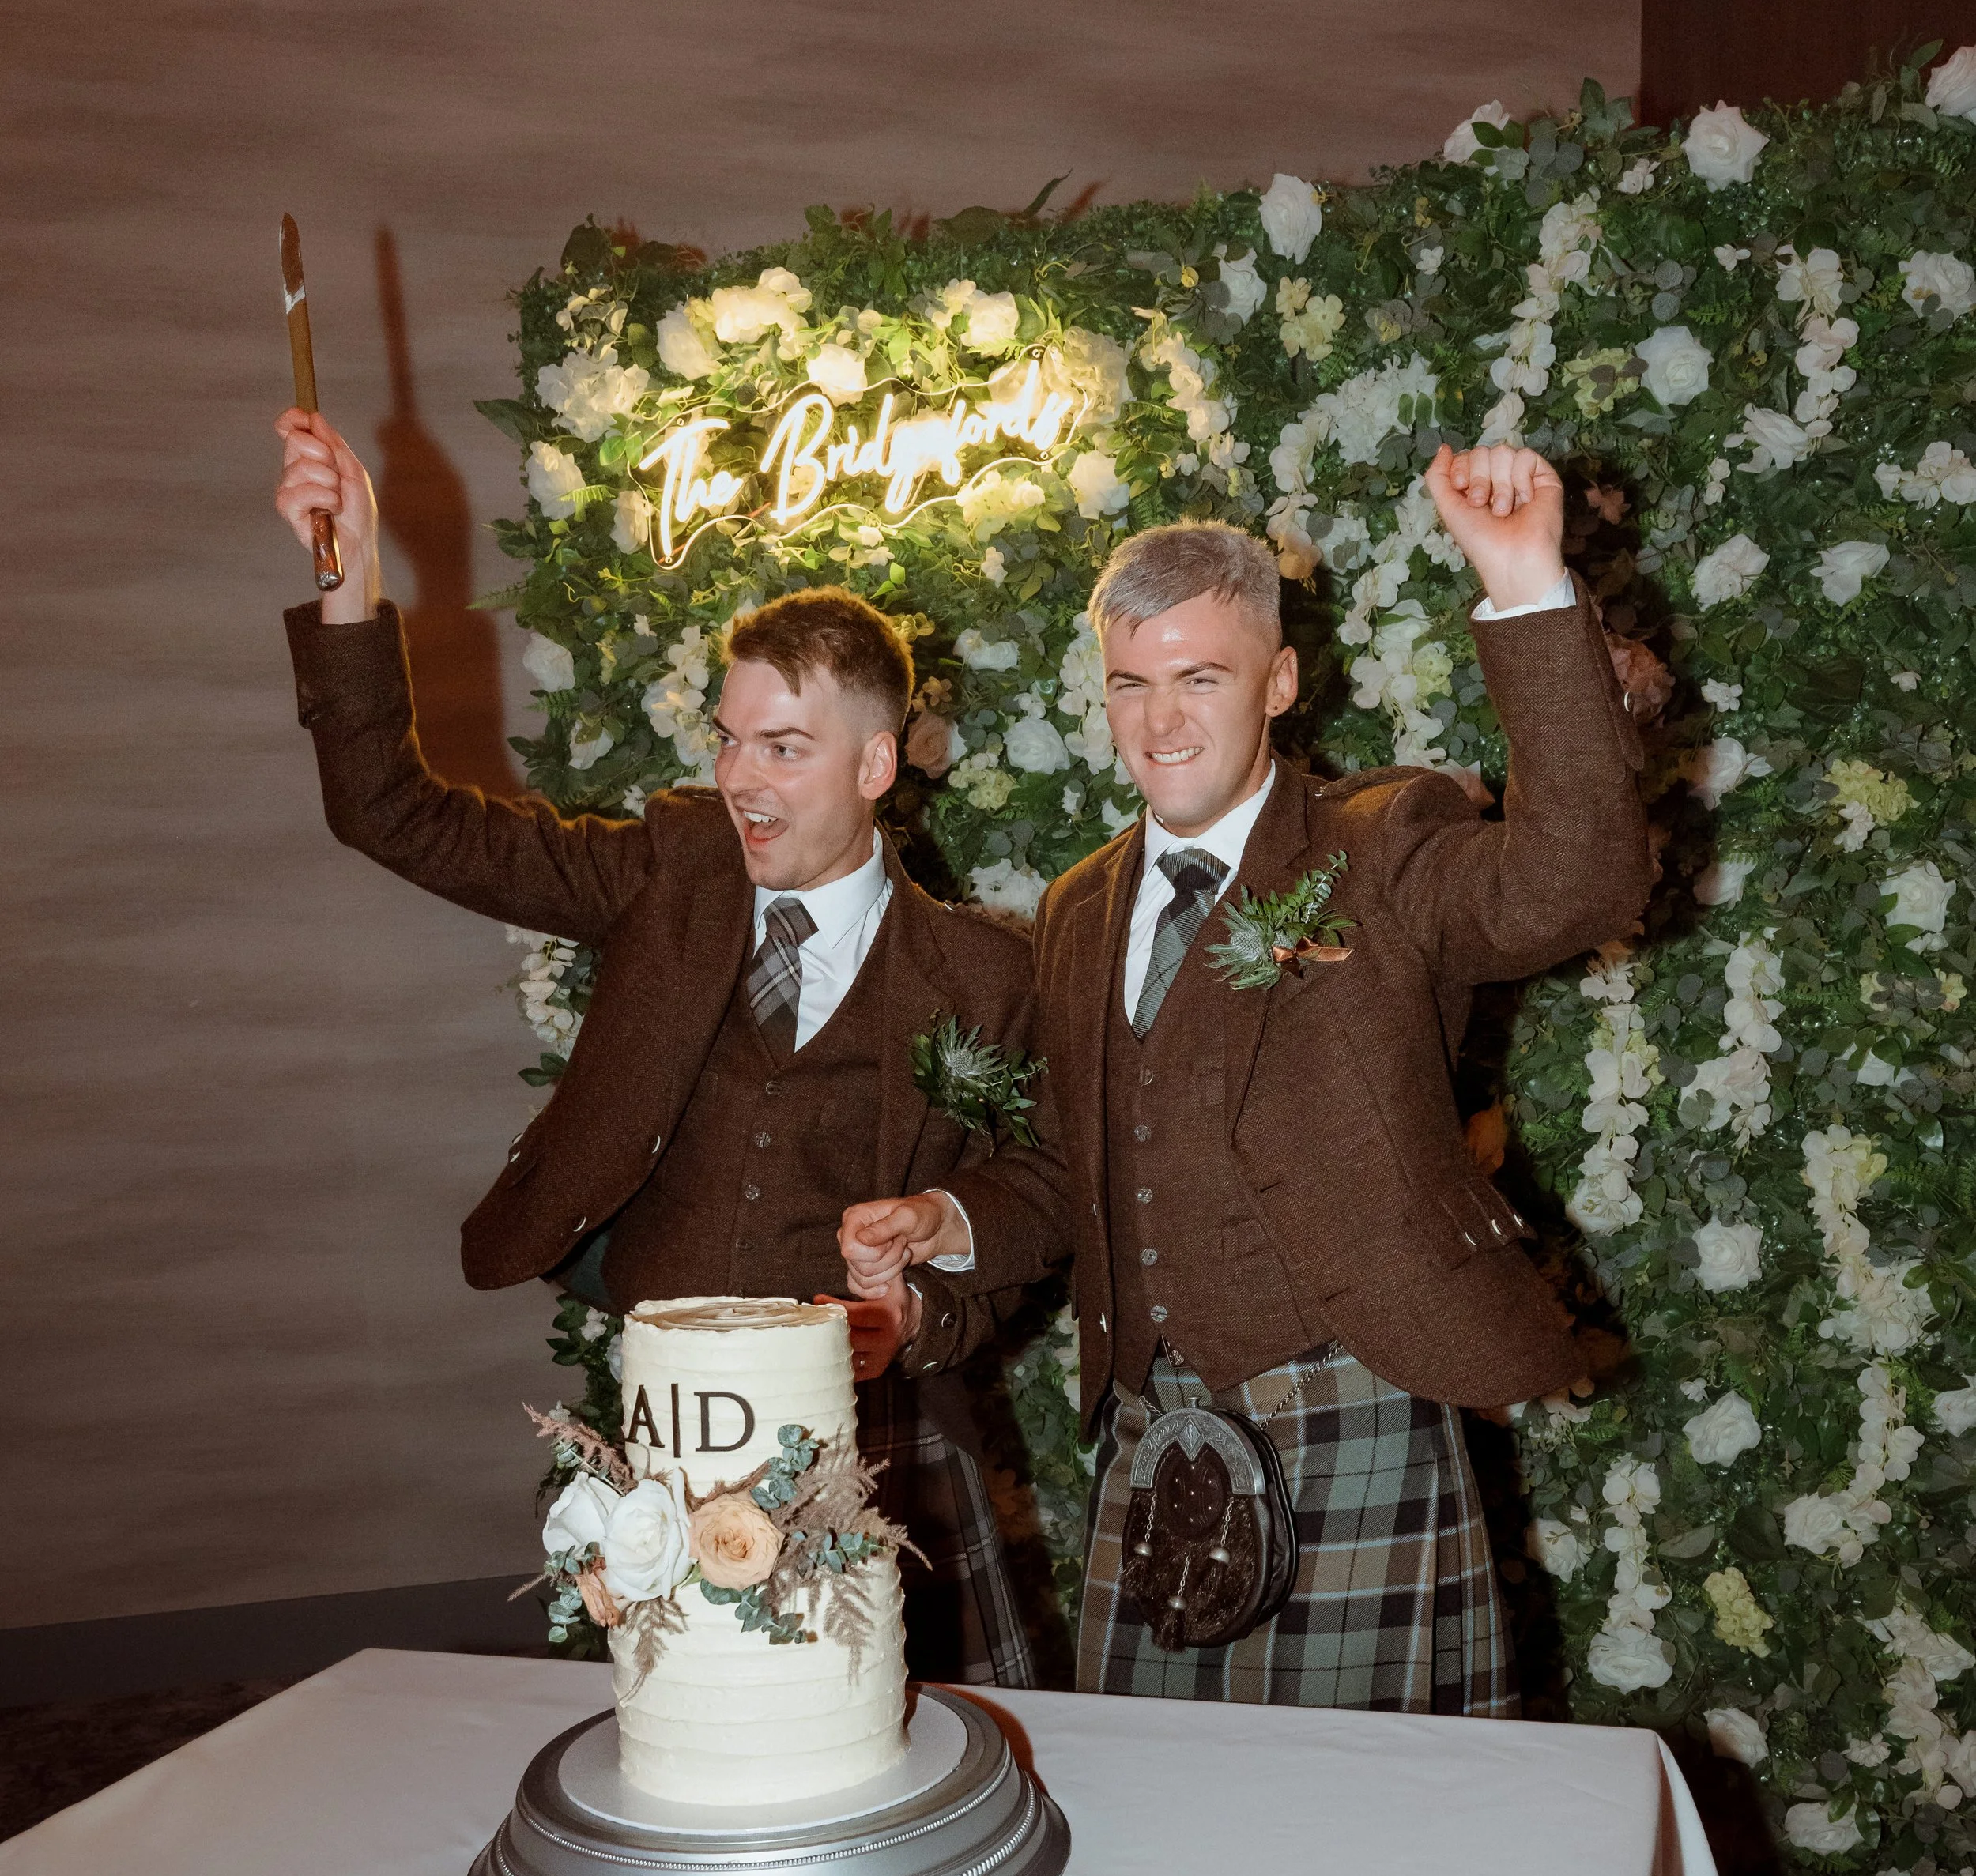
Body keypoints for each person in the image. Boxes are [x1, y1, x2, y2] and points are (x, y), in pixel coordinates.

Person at [839, 441, 1653, 1715]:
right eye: (1131, 685)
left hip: (1351, 1410)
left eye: (1199, 679)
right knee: (1162, 1826)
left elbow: (1581, 877)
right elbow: (1070, 1166)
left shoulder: (1382, 846)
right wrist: (949, 1221)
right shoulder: (1079, 906)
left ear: (1276, 682)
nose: (1161, 721)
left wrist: (1525, 586)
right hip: (1149, 1440)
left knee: (1355, 1839)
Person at [273, 406, 1065, 1686]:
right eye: (729, 736)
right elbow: (394, 815)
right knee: (685, 1738)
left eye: (785, 748)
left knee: (889, 1746)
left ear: (874, 763)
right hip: (667, 1413)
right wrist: (350, 574)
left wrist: (940, 1240)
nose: (742, 778)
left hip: (873, 1423)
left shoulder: (986, 972)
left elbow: (1046, 1186)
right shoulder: (672, 869)